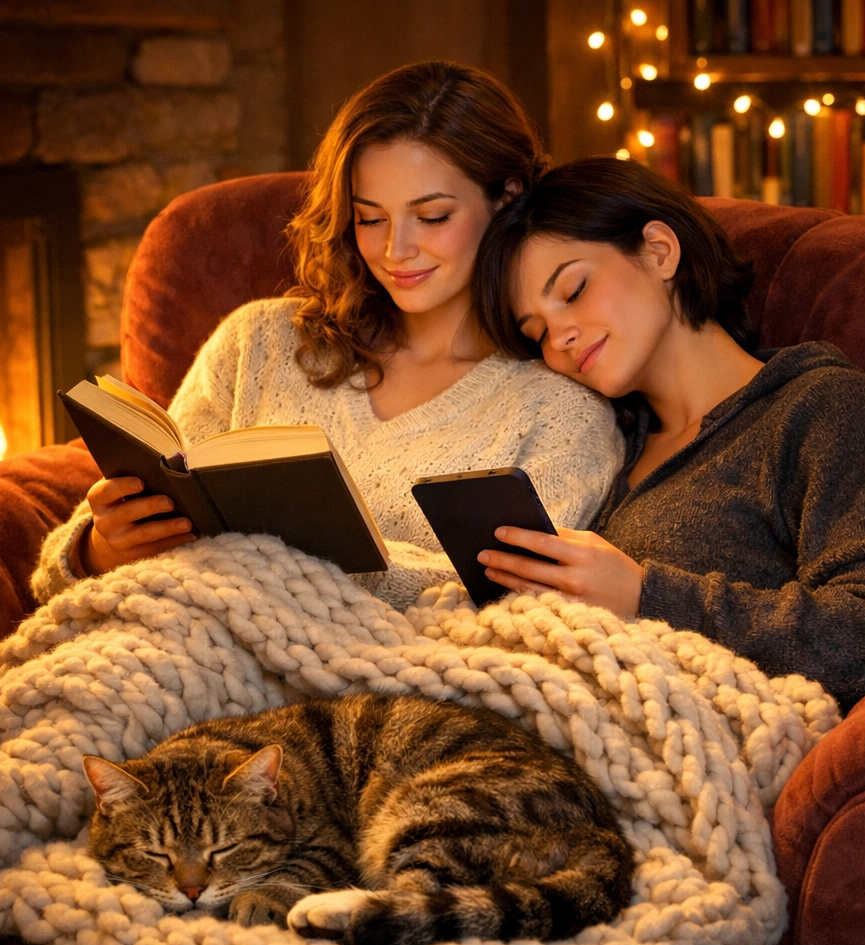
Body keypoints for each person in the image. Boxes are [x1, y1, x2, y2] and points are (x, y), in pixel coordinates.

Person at [30, 64, 622, 611]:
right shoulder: (255, 344)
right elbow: (65, 573)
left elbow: (507, 606)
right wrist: (100, 551)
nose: (396, 250)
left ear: (507, 199)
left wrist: (262, 565)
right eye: (370, 217)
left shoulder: (560, 410)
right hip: (169, 633)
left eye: (433, 216)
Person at [472, 156, 865, 710]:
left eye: (573, 291)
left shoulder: (817, 407)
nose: (559, 336)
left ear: (659, 251)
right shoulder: (610, 444)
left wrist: (647, 596)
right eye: (537, 331)